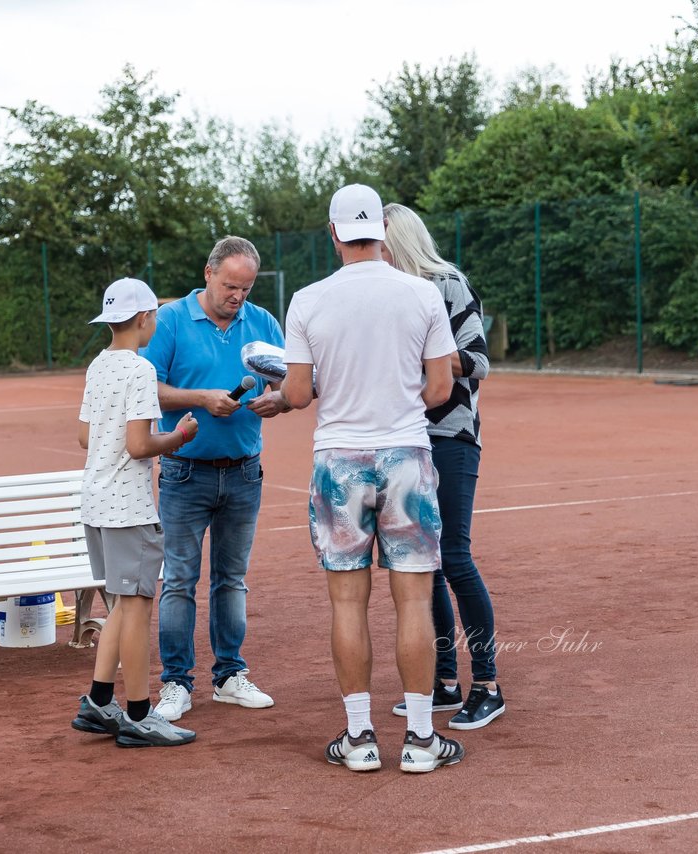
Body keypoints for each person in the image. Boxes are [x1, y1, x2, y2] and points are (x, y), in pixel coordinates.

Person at [281, 184, 464, 773]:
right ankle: (419, 740)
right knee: (413, 600)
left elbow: (298, 393)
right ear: (383, 233)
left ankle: (359, 739)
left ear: (333, 234)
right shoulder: (421, 295)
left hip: (339, 460)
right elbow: (440, 389)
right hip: (406, 455)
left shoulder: (309, 300)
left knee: (346, 603)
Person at [141, 236, 292, 722]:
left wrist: (280, 400)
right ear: (208, 274)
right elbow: (149, 392)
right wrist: (202, 398)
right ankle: (176, 684)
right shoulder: (170, 320)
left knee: (232, 581)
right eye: (231, 286)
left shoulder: (263, 322)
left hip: (245, 472)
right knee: (180, 581)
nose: (238, 297)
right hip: (185, 473)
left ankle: (229, 676)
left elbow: (287, 380)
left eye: (246, 289)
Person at [382, 203, 505, 731]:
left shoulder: (447, 283)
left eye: (381, 242)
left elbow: (477, 362)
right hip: (406, 437)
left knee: (454, 556)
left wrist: (431, 349)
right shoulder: (388, 293)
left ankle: (489, 685)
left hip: (451, 436)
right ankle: (443, 681)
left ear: (401, 242)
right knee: (420, 563)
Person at [70, 277, 201, 748]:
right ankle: (141, 714)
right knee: (138, 607)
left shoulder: (98, 364)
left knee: (123, 606)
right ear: (144, 318)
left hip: (96, 502)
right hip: (128, 507)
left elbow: (86, 437)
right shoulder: (140, 370)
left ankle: (99, 701)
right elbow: (140, 444)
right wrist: (180, 436)